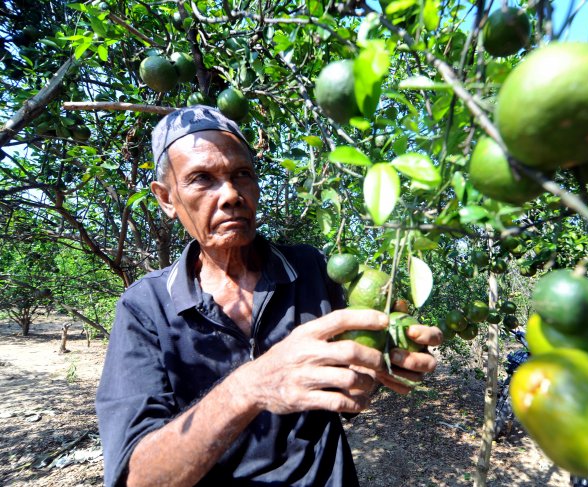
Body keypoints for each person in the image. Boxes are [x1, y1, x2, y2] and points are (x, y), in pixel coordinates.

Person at [95, 106, 442, 487]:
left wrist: (379, 367)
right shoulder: (144, 308)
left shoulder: (310, 268)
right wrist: (251, 387)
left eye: (241, 174)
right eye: (201, 179)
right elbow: (139, 478)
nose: (230, 194)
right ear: (166, 198)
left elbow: (346, 387)